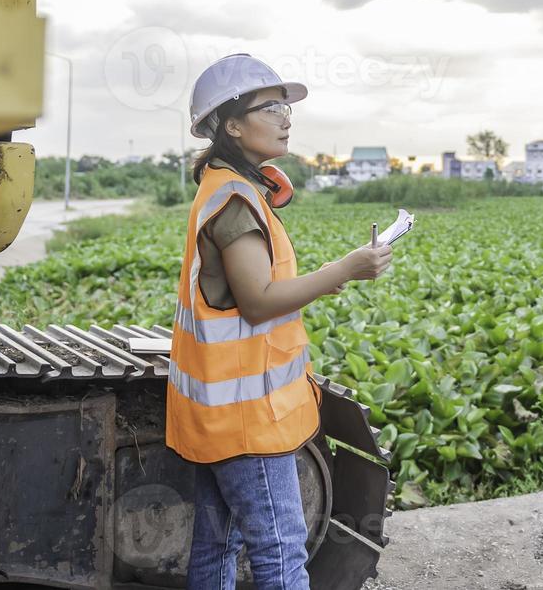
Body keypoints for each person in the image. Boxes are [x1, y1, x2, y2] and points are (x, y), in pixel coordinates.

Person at [167, 53, 392, 590]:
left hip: (220, 413)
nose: (286, 117)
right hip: (248, 420)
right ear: (232, 124)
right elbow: (260, 301)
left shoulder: (229, 187)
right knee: (280, 556)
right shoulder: (235, 199)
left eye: (285, 106)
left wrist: (339, 271)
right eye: (270, 107)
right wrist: (344, 269)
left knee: (218, 547)